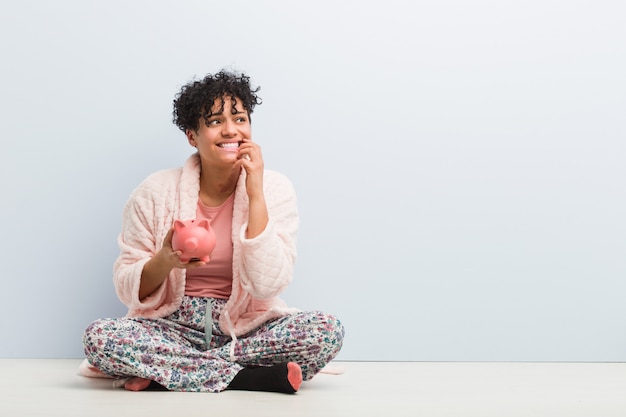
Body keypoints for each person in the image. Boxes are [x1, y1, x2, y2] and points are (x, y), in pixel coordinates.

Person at [80, 70, 345, 393]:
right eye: (216, 121)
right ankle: (247, 377)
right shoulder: (154, 191)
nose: (231, 130)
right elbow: (126, 287)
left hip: (244, 329)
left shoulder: (275, 189)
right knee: (101, 337)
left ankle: (171, 373)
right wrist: (165, 259)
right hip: (170, 327)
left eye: (240, 118)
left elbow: (268, 284)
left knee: (325, 331)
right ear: (193, 135)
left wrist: (256, 193)